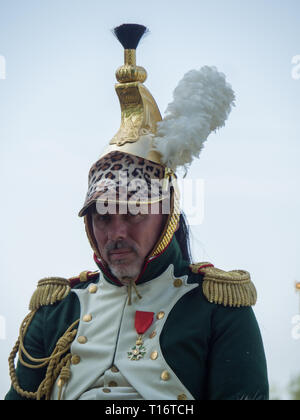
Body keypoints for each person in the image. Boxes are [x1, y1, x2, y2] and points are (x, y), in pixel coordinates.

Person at [5, 24, 269, 401]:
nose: (115, 232)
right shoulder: (56, 309)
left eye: (132, 214)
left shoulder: (219, 309)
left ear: (167, 214)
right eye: (103, 216)